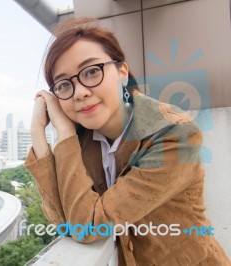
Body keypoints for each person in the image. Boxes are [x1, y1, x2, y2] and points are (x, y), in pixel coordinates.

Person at [24, 17, 230, 265]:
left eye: (91, 72)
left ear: (122, 72)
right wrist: (40, 133)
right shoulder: (82, 141)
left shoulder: (176, 135)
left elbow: (86, 227)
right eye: (64, 84)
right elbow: (62, 219)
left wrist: (66, 134)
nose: (80, 92)